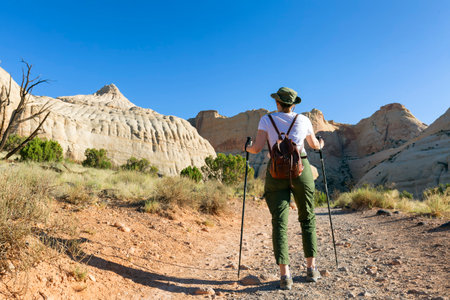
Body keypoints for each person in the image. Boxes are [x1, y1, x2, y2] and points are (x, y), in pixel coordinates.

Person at [246, 87, 324, 290]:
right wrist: (321, 144)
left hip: (276, 171)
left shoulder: (266, 120)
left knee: (279, 222)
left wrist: (247, 147)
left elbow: (256, 148)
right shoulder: (304, 120)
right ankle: (311, 269)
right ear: (294, 104)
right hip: (301, 170)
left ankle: (285, 275)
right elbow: (314, 144)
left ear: (277, 103)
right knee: (307, 217)